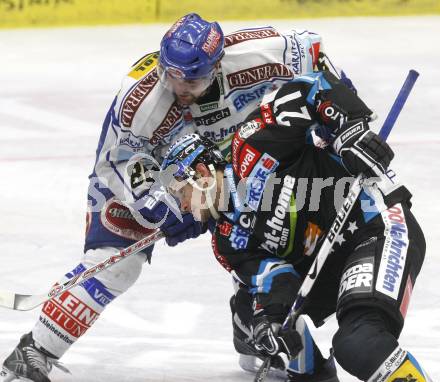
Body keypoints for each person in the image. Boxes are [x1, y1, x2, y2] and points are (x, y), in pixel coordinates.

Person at [0, 12, 346, 382]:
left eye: (191, 79)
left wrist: (342, 116)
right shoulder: (142, 104)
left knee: (265, 237)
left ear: (217, 65)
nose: (179, 87)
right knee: (117, 263)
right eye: (171, 74)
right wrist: (162, 208)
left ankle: (251, 338)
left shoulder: (256, 54)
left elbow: (314, 54)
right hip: (144, 169)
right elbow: (120, 164)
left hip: (232, 162)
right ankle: (33, 351)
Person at [160, 70, 432, 381]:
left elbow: (312, 87)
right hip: (331, 267)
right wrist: (270, 323)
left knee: (358, 343)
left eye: (181, 192)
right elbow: (274, 279)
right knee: (256, 318)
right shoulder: (228, 241)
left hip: (376, 225)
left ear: (201, 172)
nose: (182, 206)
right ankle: (315, 375)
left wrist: (349, 133)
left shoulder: (252, 147)